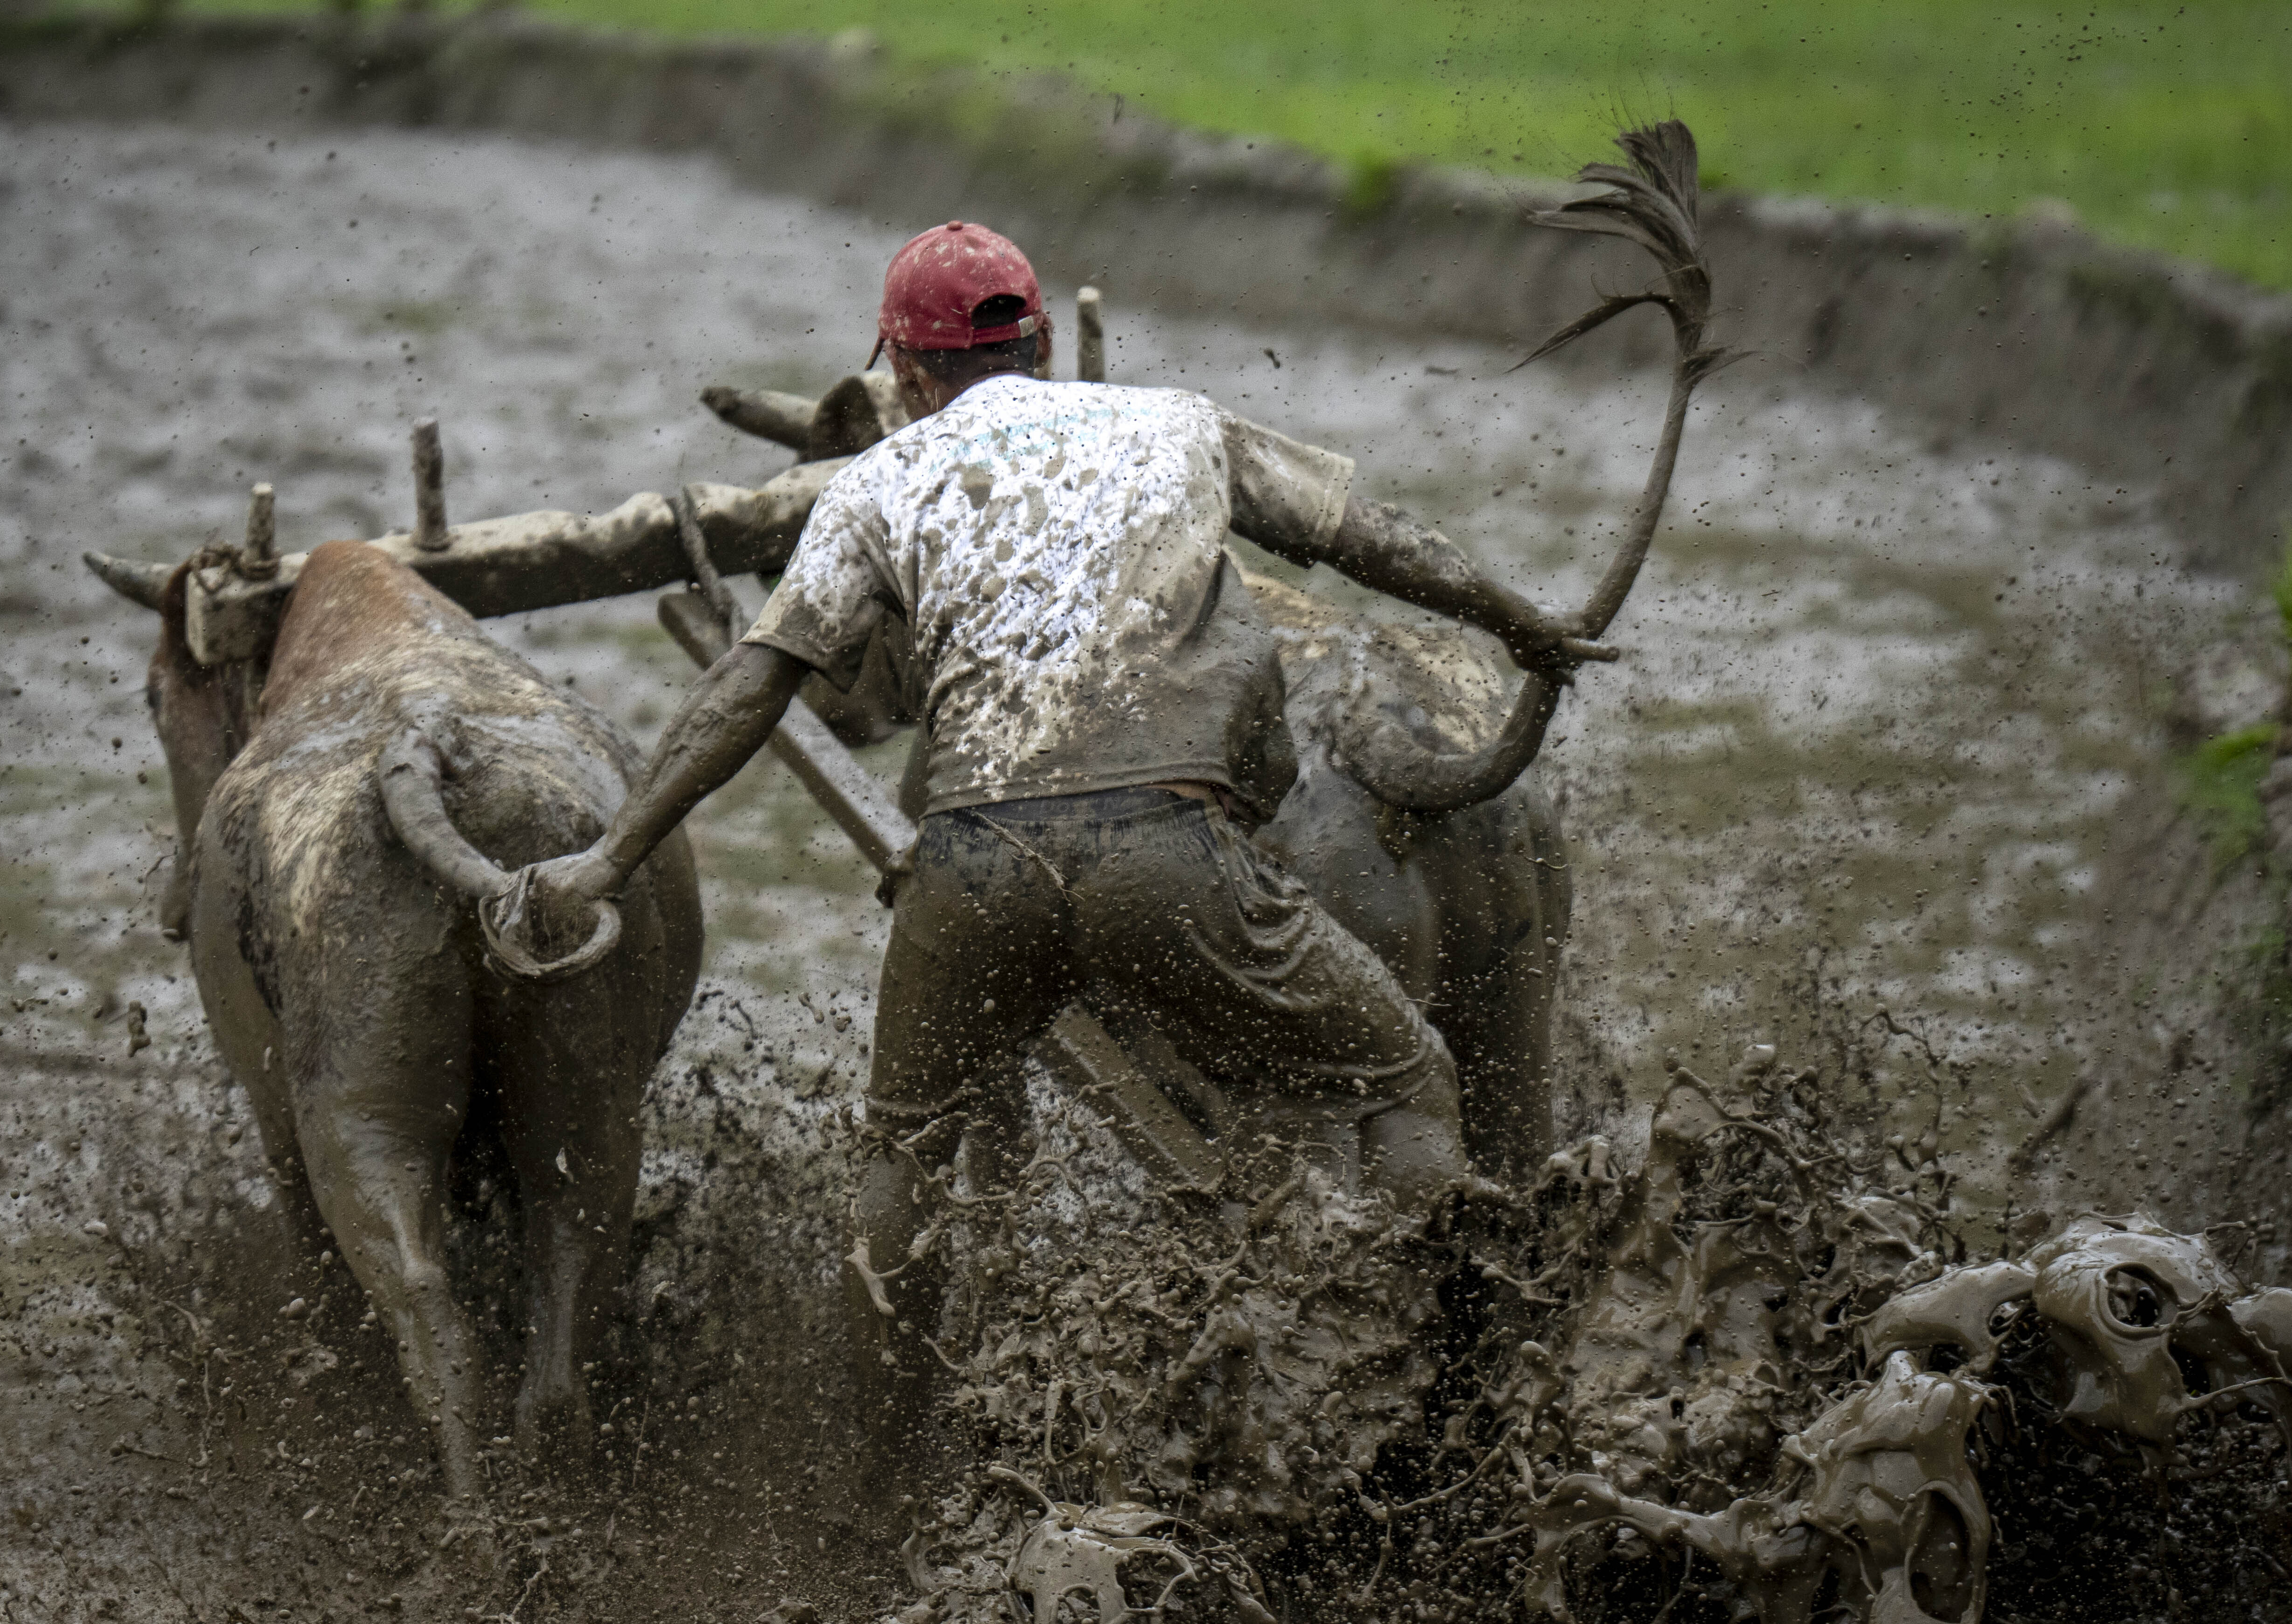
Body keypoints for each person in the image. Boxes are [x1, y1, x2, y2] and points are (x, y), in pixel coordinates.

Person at [525, 220, 1602, 1487]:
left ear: (906, 376)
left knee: (901, 1167)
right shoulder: (1178, 425)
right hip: (1171, 855)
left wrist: (605, 860)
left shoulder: (876, 482)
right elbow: (1376, 540)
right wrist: (1523, 624)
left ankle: (880, 1487)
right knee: (1413, 1078)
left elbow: (748, 693)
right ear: (1043, 346)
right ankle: (1413, 1397)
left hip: (973, 870)